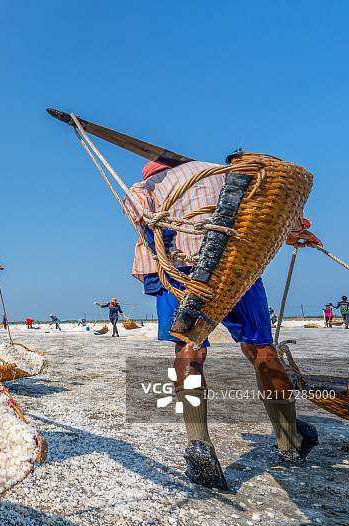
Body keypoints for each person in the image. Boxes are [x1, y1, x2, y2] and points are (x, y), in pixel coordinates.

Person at [123, 159, 322, 490]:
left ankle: (199, 443)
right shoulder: (225, 173)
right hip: (236, 262)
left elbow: (138, 212)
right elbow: (277, 218)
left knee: (189, 348)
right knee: (260, 347)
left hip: (181, 267)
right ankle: (288, 444)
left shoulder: (148, 186)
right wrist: (299, 234)